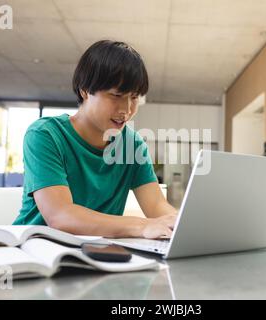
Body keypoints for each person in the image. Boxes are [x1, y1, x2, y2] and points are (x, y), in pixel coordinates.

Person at [13, 40, 177, 239]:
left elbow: (156, 205)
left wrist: (180, 223)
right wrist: (141, 226)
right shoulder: (45, 135)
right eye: (116, 95)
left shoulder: (132, 145)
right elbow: (60, 216)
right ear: (84, 90)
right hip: (36, 250)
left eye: (133, 97)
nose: (126, 109)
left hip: (96, 253)